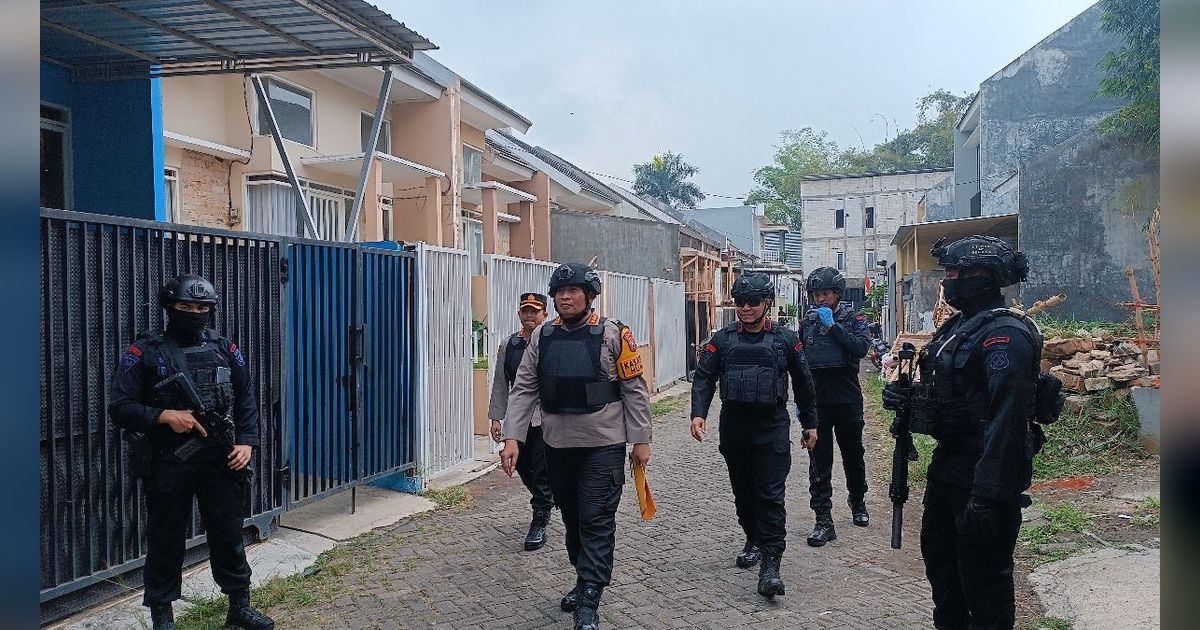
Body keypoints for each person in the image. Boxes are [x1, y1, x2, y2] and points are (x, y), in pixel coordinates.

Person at [883, 235, 1042, 630]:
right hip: (948, 469)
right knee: (944, 572)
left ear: (983, 277)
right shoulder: (959, 327)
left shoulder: (1006, 334)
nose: (948, 281)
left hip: (986, 478)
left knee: (985, 584)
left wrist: (988, 495)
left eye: (955, 273)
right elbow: (954, 392)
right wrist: (910, 398)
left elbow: (1007, 417)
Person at [108, 274, 274, 630]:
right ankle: (163, 617)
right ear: (170, 308)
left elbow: (245, 396)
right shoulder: (145, 351)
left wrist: (247, 442)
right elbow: (120, 406)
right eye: (186, 306)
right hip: (170, 461)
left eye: (202, 308)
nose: (195, 313)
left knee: (228, 535)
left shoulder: (224, 348)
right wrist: (164, 415)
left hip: (220, 458)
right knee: (166, 539)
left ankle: (239, 608)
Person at [499, 263, 652, 630]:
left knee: (596, 520)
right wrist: (512, 437)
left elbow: (634, 389)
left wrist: (641, 440)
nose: (565, 297)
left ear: (590, 296)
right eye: (560, 292)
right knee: (572, 521)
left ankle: (589, 602)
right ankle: (584, 578)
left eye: (573, 291)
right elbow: (523, 389)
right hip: (557, 444)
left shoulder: (614, 334)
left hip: (604, 444)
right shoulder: (542, 337)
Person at [689, 273, 819, 598]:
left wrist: (810, 424)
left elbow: (804, 384)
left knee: (770, 497)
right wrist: (698, 414)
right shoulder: (722, 339)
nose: (745, 308)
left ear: (767, 304)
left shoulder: (786, 340)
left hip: (772, 429)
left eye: (753, 302)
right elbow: (704, 378)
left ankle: (771, 567)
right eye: (740, 302)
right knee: (744, 497)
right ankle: (754, 539)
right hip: (735, 430)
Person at [800, 267, 873, 546]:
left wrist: (833, 326)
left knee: (853, 455)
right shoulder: (807, 322)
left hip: (847, 399)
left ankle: (858, 502)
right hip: (818, 401)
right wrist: (802, 405)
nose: (820, 299)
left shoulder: (853, 319)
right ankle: (823, 519)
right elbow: (801, 360)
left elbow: (860, 348)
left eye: (825, 294)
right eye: (816, 294)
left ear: (837, 294)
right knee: (819, 461)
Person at [488, 292, 554, 551]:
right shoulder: (509, 345)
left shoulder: (552, 342)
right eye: (525, 311)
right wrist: (496, 418)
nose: (529, 316)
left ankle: (539, 520)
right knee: (523, 467)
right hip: (520, 418)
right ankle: (545, 499)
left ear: (545, 315)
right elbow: (501, 384)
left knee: (541, 468)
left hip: (547, 417)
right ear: (519, 314)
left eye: (534, 311)